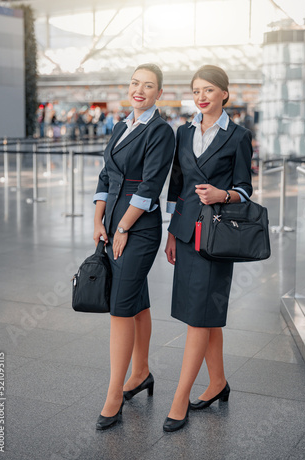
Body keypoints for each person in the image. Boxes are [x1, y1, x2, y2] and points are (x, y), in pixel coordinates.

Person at [164, 65, 252, 432]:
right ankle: (217, 383)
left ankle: (180, 397)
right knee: (200, 313)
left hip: (216, 237)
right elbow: (177, 185)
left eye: (209, 90)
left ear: (224, 94)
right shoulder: (183, 133)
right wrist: (171, 231)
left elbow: (246, 190)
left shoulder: (238, 136)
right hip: (186, 233)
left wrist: (223, 194)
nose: (202, 96)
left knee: (199, 317)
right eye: (197, 90)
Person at [93, 63, 175, 430]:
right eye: (135, 83)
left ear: (160, 92)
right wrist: (99, 219)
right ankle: (140, 372)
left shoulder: (160, 131)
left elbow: (150, 185)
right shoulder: (122, 124)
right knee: (136, 301)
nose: (139, 90)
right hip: (113, 223)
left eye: (149, 85)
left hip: (138, 230)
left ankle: (114, 394)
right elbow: (105, 174)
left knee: (120, 309)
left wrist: (123, 226)